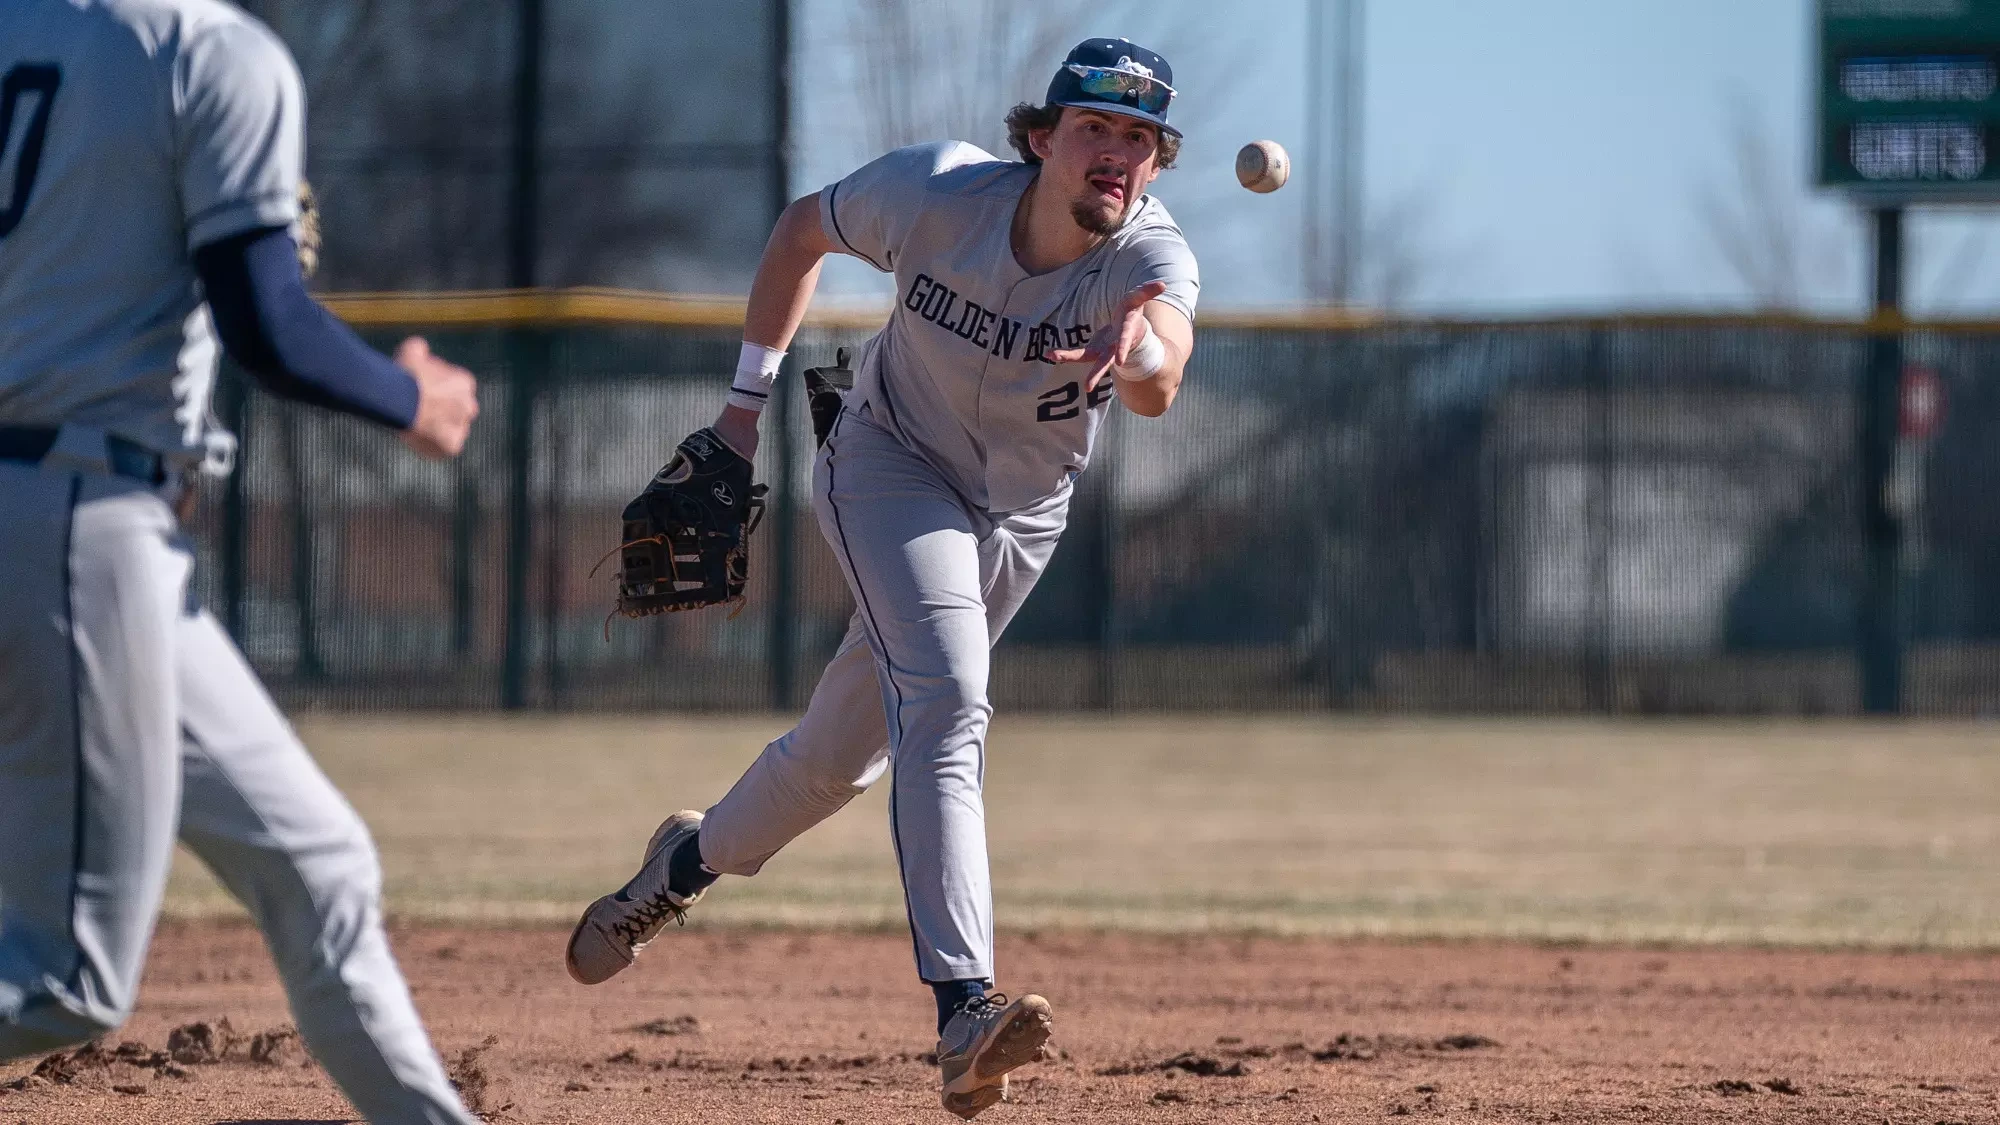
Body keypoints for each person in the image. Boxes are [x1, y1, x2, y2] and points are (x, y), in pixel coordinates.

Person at [566, 37, 1199, 1119]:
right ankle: (963, 1009)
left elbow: (1161, 368)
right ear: (1040, 139)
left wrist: (1134, 347)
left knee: (831, 761)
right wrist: (739, 411)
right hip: (887, 466)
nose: (1116, 154)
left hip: (1018, 519)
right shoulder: (934, 192)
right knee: (947, 704)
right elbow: (800, 231)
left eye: (1139, 139)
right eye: (1093, 127)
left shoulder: (1149, 258)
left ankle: (679, 868)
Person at [0, 3, 483, 1122]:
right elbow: (266, 322)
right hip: (78, 513)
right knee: (64, 979)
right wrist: (413, 399)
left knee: (319, 868)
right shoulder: (210, 51)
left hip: (79, 528)